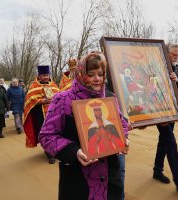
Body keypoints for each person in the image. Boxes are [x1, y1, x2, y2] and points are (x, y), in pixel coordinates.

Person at [38, 52, 130, 200]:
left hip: (111, 178)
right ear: (81, 74)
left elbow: (122, 122)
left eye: (100, 74)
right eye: (91, 74)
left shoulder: (110, 97)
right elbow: (46, 136)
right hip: (79, 181)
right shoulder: (62, 99)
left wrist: (123, 137)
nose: (97, 79)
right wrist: (74, 151)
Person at [152, 43, 178, 195]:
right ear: (166, 53)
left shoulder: (177, 69)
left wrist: (177, 80)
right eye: (174, 54)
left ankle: (157, 170)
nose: (176, 57)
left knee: (164, 141)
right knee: (171, 143)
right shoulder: (157, 67)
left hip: (173, 112)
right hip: (160, 112)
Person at [23, 65, 60, 164]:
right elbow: (29, 100)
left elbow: (60, 96)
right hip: (41, 115)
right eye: (43, 75)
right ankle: (49, 154)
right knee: (45, 134)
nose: (45, 77)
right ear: (39, 76)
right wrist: (42, 101)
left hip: (55, 115)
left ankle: (56, 149)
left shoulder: (53, 85)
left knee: (57, 132)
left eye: (47, 75)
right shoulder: (34, 86)